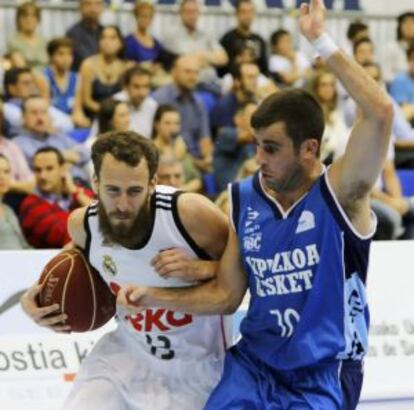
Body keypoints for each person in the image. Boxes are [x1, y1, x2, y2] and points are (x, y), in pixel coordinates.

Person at [118, 1, 394, 409]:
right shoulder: (244, 197)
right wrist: (154, 296)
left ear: (309, 148)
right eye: (257, 146)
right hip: (255, 365)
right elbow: (228, 296)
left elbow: (381, 112)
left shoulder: (342, 192)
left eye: (271, 148)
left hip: (324, 372)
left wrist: (321, 40)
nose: (260, 158)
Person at [20, 131, 229, 409]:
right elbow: (71, 256)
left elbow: (246, 272)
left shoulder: (191, 215)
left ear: (152, 183)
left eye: (134, 191)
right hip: (126, 355)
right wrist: (32, 299)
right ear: (95, 183)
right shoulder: (84, 225)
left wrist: (203, 268)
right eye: (112, 190)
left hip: (198, 365)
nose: (122, 205)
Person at [19, 147, 94, 249]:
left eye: (49, 168)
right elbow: (67, 236)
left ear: (63, 169)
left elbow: (105, 215)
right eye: (38, 170)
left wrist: (76, 193)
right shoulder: (30, 205)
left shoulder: (79, 192)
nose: (43, 176)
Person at [0, 154, 30, 250]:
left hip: (21, 262)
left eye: (6, 171)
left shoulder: (8, 210)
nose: (2, 176)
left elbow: (23, 246)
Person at [7, 2, 48, 70]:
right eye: (24, 16)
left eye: (33, 16)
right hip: (27, 79)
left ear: (38, 19)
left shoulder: (46, 42)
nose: (29, 19)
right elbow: (22, 67)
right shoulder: (13, 41)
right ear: (18, 20)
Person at [66, 0, 104, 71]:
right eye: (88, 4)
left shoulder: (105, 31)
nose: (93, 9)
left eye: (97, 4)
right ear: (80, 7)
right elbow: (85, 58)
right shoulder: (73, 33)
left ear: (102, 8)